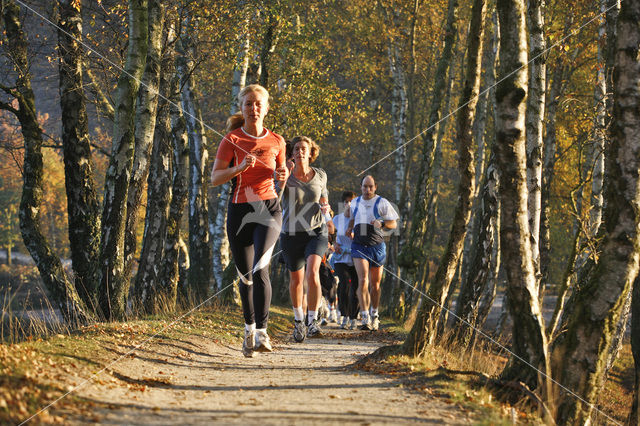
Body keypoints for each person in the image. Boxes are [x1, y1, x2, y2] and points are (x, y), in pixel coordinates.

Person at [211, 84, 289, 357]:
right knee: (245, 278)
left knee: (260, 269)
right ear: (242, 108)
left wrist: (284, 177)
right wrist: (239, 168)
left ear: (266, 108)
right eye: (248, 104)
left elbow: (281, 175)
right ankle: (248, 330)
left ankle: (263, 333)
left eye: (258, 104)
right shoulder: (231, 140)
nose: (253, 108)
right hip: (239, 211)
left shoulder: (277, 141)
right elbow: (215, 178)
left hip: (268, 209)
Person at [279, 136, 330, 342]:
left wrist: (328, 209)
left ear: (311, 153)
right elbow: (274, 196)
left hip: (317, 231)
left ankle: (313, 321)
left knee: (313, 271)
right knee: (296, 279)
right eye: (296, 149)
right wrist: (283, 176)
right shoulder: (284, 174)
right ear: (291, 153)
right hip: (291, 233)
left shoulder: (320, 175)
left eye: (304, 149)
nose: (300, 151)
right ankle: (299, 321)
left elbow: (325, 200)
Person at [346, 175, 398, 331]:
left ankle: (374, 314)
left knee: (375, 285)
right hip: (359, 245)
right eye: (364, 186)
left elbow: (394, 223)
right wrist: (350, 228)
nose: (367, 190)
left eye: (370, 187)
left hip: (377, 245)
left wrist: (381, 223)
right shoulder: (355, 202)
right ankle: (365, 317)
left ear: (375, 187)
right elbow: (352, 219)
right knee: (362, 280)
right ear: (360, 187)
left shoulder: (382, 202)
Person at [332, 191, 360, 330]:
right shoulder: (337, 219)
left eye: (352, 202)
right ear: (343, 204)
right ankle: (344, 316)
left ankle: (354, 318)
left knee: (355, 287)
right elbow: (330, 234)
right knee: (344, 283)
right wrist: (334, 244)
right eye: (346, 201)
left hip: (356, 258)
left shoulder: (360, 220)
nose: (349, 204)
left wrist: (356, 237)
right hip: (340, 258)